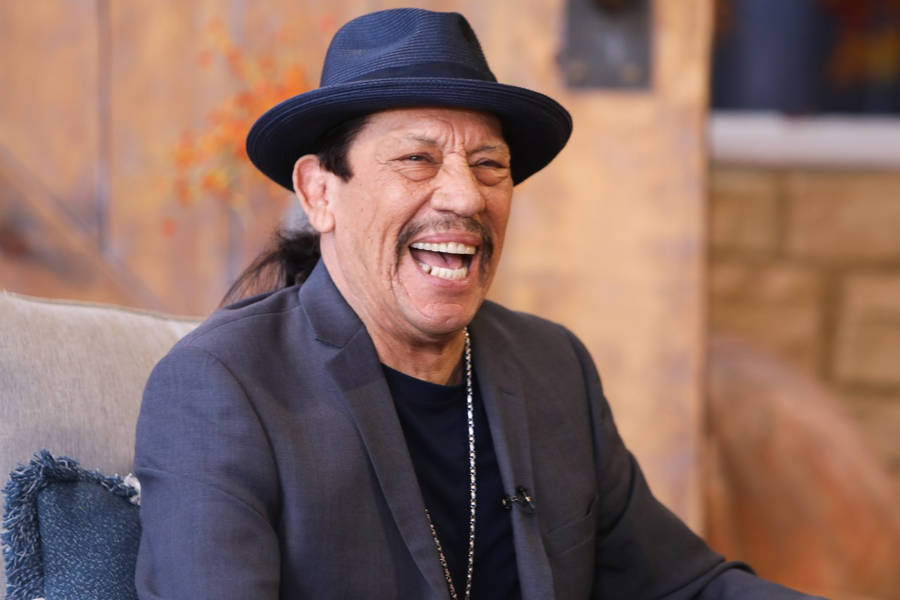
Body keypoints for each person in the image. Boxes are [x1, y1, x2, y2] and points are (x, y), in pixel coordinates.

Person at [134, 8, 825, 599]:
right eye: (417, 159)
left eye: (489, 164)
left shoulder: (553, 366)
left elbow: (685, 588)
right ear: (320, 192)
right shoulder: (222, 389)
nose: (466, 197)